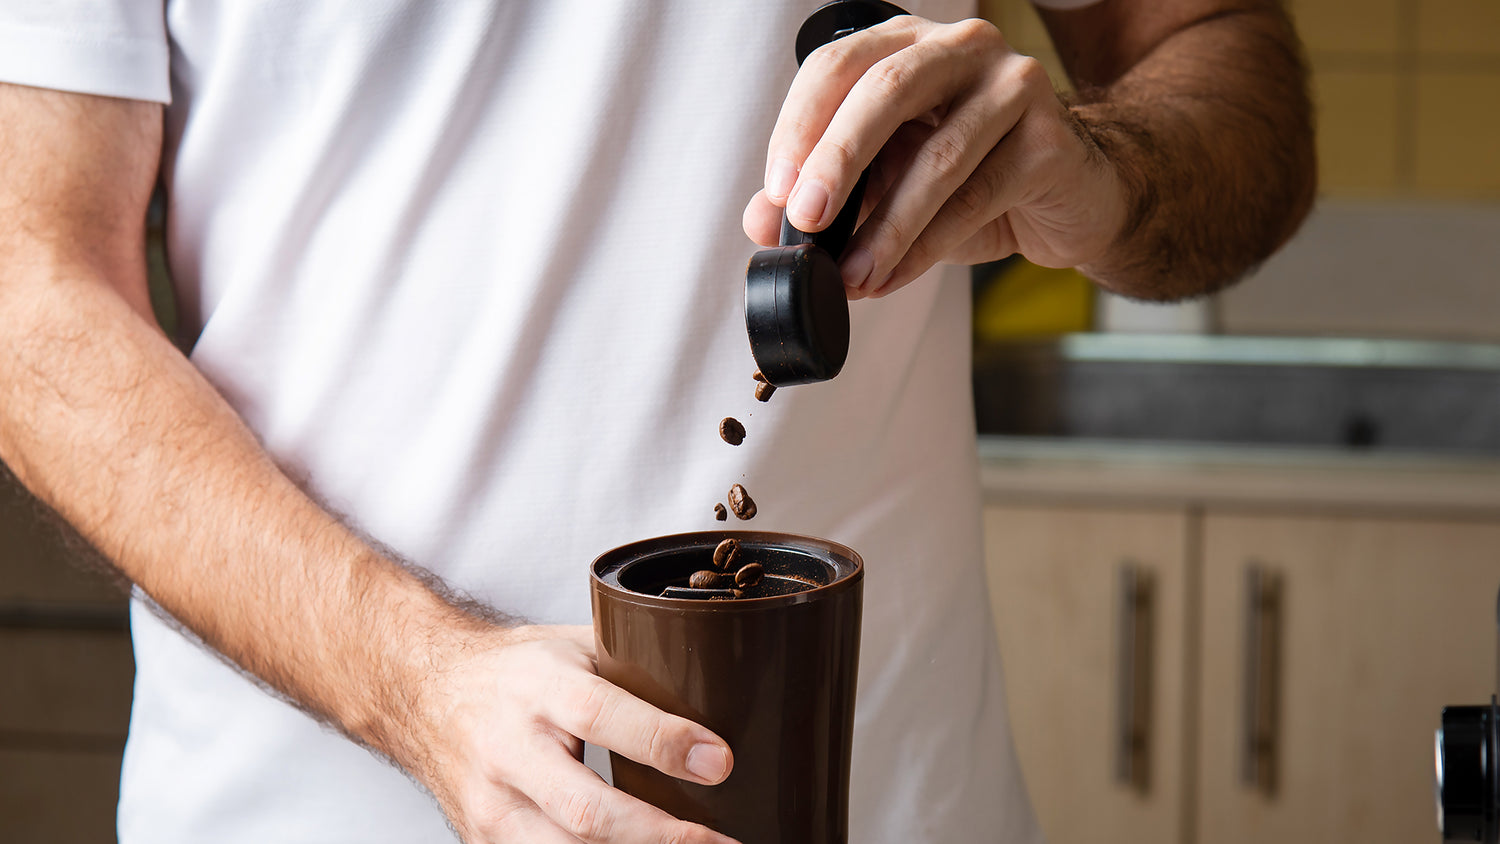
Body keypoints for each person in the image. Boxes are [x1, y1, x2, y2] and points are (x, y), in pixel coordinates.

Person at [0, 0, 1313, 841]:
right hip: (308, 807)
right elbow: (30, 293)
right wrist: (413, 683)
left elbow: (1216, 60)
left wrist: (1107, 176)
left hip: (897, 803)